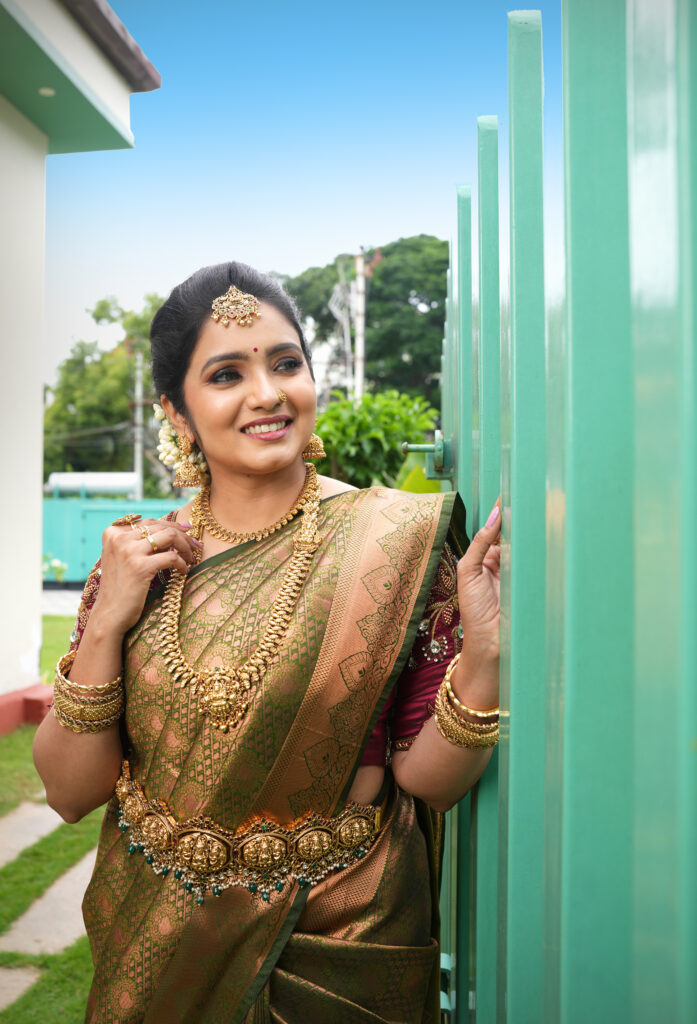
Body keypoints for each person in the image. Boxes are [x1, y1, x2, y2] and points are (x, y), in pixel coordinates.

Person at [33, 262, 502, 1024]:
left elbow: (430, 782)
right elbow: (68, 792)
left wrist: (485, 658)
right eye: (226, 374)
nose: (267, 393)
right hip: (155, 946)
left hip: (343, 942)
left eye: (286, 363)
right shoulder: (134, 561)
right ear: (177, 413)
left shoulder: (393, 542)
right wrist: (109, 622)